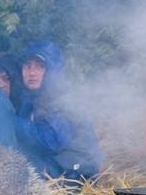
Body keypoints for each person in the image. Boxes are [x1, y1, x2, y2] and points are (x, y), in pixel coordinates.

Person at [13, 40, 103, 180]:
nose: (32, 73)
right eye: (27, 66)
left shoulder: (63, 98)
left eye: (40, 67)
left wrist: (10, 121)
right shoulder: (30, 96)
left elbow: (52, 141)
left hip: (76, 174)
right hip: (55, 165)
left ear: (52, 70)